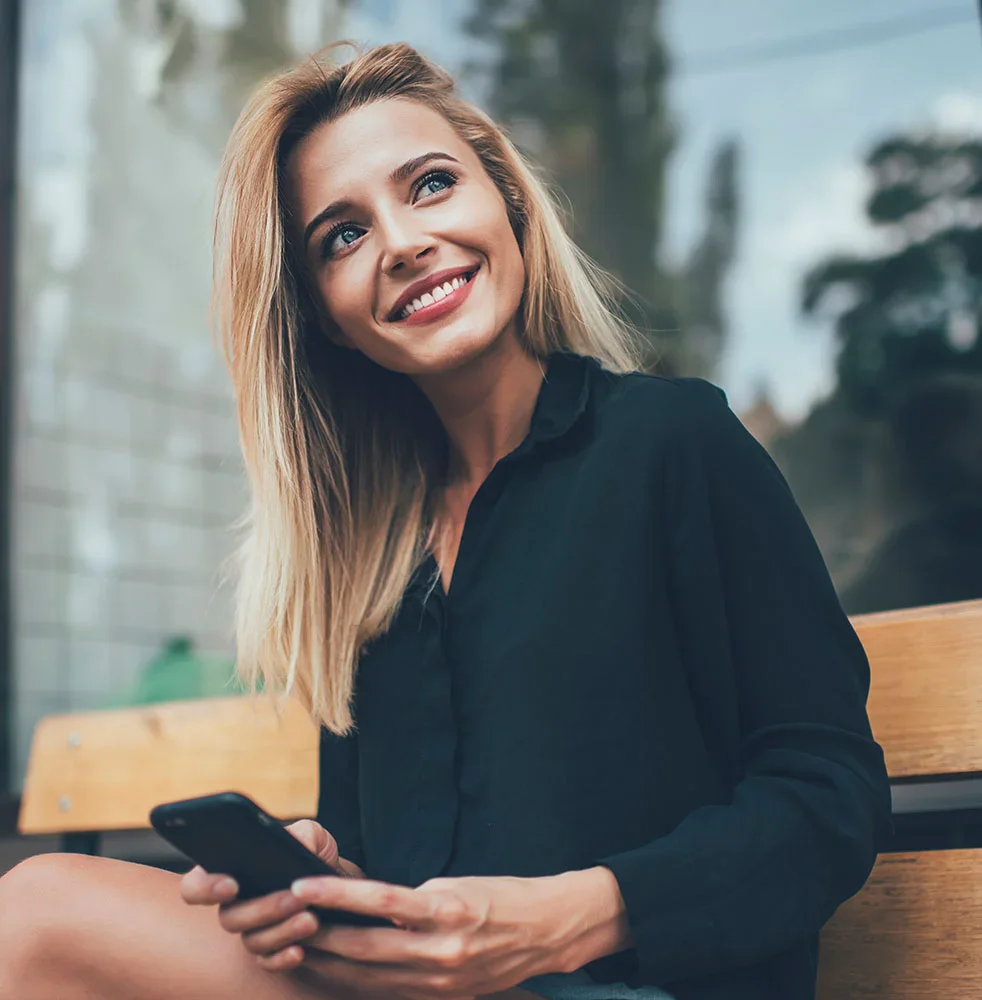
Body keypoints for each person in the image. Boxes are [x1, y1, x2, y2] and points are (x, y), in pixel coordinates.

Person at [0, 42, 891, 1000]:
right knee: (38, 923)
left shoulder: (674, 443)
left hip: (634, 987)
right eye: (341, 236)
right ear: (326, 319)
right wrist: (327, 884)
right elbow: (390, 870)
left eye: (430, 185)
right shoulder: (365, 559)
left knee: (37, 912)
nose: (400, 243)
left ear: (506, 201)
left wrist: (569, 916)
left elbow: (826, 795)